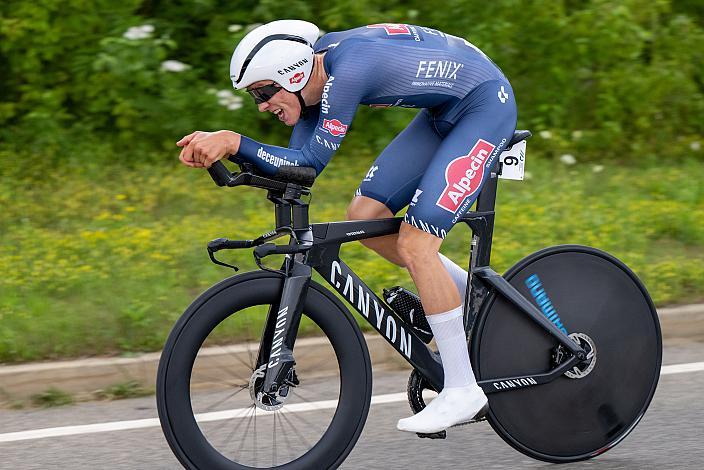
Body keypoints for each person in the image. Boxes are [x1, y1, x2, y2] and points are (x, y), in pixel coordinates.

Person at [177, 19, 517, 434]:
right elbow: (295, 169)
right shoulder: (315, 81)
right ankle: (468, 296)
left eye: (264, 92)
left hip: (485, 105)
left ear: (294, 75)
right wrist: (232, 157)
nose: (262, 105)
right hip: (444, 112)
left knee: (416, 245)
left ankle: (463, 389)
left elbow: (309, 163)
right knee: (365, 216)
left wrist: (234, 142)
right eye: (255, 97)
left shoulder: (349, 70)